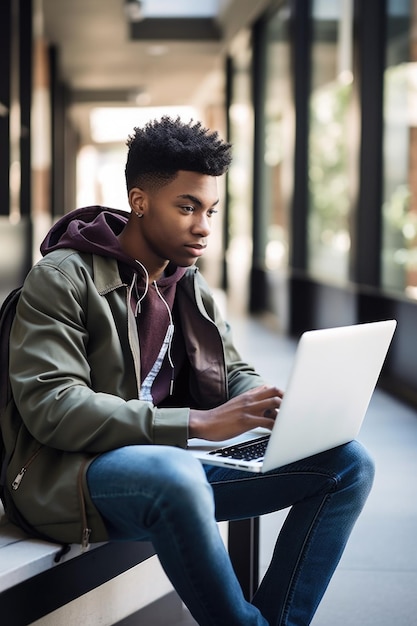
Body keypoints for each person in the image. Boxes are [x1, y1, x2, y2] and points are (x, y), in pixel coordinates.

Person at [4, 116, 374, 626]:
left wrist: (273, 404)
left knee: (348, 463)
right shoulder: (62, 278)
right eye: (187, 207)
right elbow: (54, 408)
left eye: (210, 210)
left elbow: (231, 371)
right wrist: (198, 425)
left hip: (162, 465)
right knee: (175, 474)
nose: (202, 226)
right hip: (70, 474)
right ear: (140, 201)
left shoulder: (186, 283)